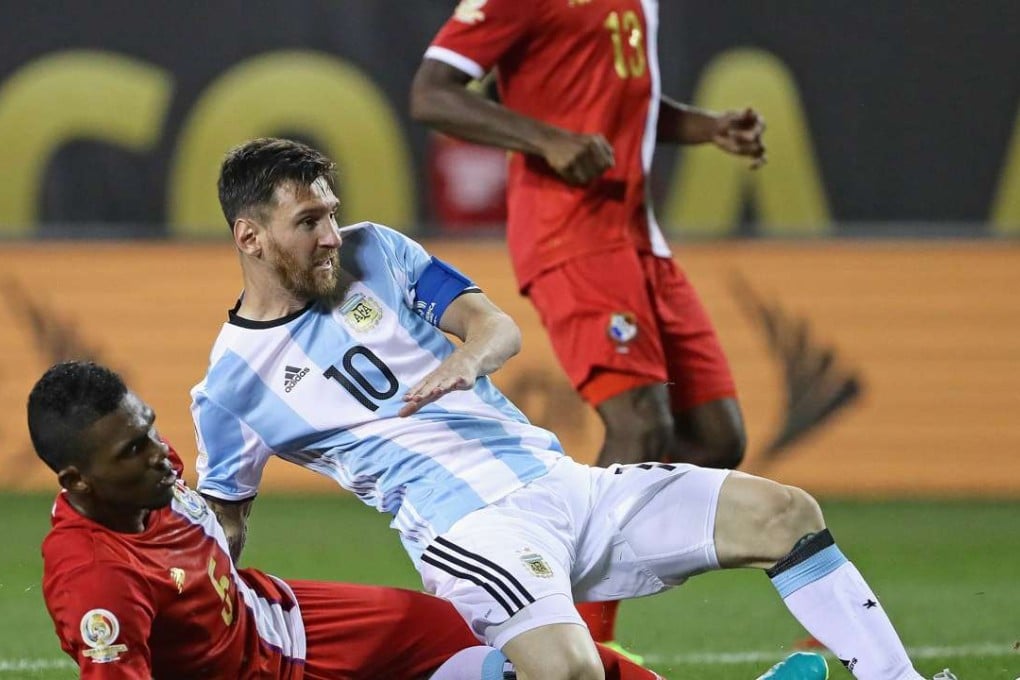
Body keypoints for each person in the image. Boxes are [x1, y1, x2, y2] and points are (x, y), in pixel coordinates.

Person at [192, 137, 940, 680]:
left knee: (785, 514)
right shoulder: (230, 386)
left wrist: (466, 360)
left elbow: (497, 325)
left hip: (566, 485)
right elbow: (227, 522)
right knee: (570, 673)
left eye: (330, 212)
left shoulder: (376, 251)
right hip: (471, 532)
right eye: (308, 222)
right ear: (249, 237)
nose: (330, 235)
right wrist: (206, 638)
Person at [408, 1, 765, 647]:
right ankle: (579, 650)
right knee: (639, 425)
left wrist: (707, 126)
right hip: (569, 232)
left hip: (638, 236)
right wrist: (546, 137)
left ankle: (528, 567)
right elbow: (432, 94)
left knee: (716, 438)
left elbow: (622, 104)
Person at [30, 360, 667, 680]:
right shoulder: (96, 583)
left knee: (471, 633)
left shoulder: (148, 478)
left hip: (291, 617)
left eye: (148, 430)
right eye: (131, 452)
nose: (158, 456)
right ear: (76, 482)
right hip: (271, 668)